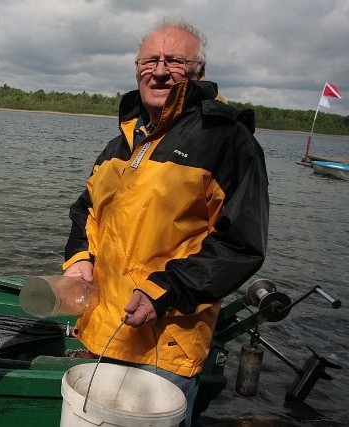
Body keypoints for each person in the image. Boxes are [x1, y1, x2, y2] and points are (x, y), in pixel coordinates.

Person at [62, 17, 268, 426]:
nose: (158, 71)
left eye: (174, 61)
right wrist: (80, 259)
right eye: (149, 60)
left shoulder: (226, 138)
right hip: (101, 330)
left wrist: (165, 291)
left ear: (200, 73)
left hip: (165, 346)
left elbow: (240, 245)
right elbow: (86, 210)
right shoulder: (122, 140)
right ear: (137, 68)